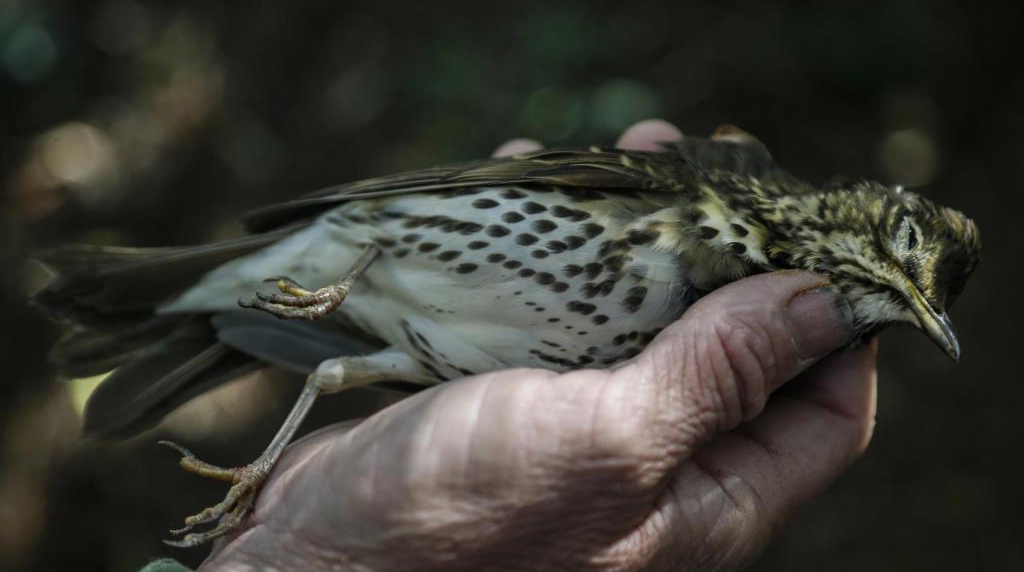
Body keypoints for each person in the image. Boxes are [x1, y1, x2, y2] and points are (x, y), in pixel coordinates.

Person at [144, 120, 877, 572]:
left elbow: (345, 376)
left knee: (332, 370)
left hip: (412, 329)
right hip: (374, 245)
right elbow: (483, 181)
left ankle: (241, 434)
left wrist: (283, 549)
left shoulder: (666, 329)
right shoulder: (673, 200)